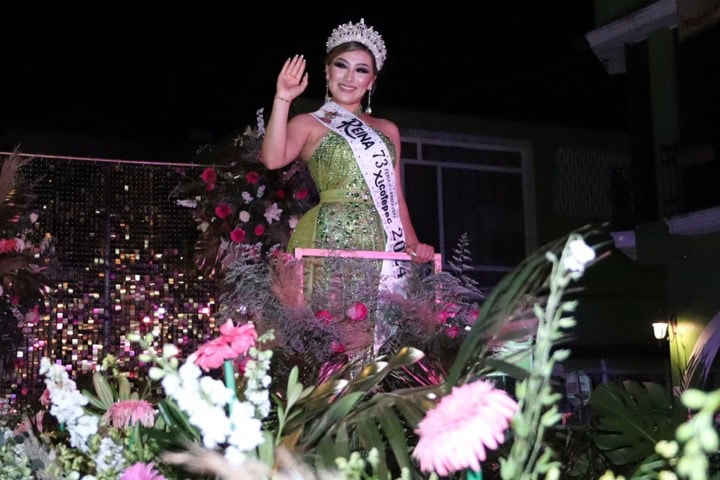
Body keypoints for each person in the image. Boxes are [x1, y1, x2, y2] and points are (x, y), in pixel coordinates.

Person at [260, 18, 435, 358]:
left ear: (372, 81)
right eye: (341, 66)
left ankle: (364, 408)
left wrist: (411, 244)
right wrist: (282, 99)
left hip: (381, 242)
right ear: (327, 72)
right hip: (328, 237)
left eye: (360, 70)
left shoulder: (387, 129)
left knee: (371, 341)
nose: (349, 77)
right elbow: (272, 159)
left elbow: (395, 194)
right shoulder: (309, 123)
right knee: (331, 339)